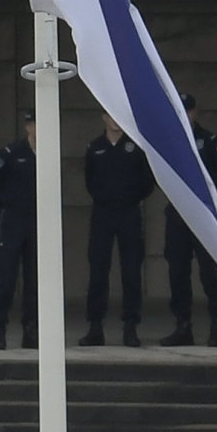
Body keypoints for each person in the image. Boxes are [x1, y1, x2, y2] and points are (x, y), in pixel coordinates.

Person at [164, 97, 217, 346]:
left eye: (187, 110)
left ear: (194, 112)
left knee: (209, 272)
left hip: (204, 214)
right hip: (178, 214)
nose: (184, 114)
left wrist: (207, 189)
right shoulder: (168, 141)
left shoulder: (210, 140)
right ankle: (183, 326)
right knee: (177, 271)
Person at [80, 117, 151, 346]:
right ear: (104, 117)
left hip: (129, 213)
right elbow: (90, 181)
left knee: (131, 271)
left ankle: (130, 326)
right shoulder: (95, 147)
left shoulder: (136, 147)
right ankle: (95, 326)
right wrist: (106, 199)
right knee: (98, 270)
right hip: (103, 215)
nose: (115, 121)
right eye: (110, 115)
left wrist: (129, 198)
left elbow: (147, 181)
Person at [0, 111, 39, 351]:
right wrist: (6, 210)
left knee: (35, 281)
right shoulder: (10, 154)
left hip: (38, 223)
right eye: (35, 124)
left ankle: (31, 330)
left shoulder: (50, 153)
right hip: (12, 223)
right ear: (28, 127)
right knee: (6, 279)